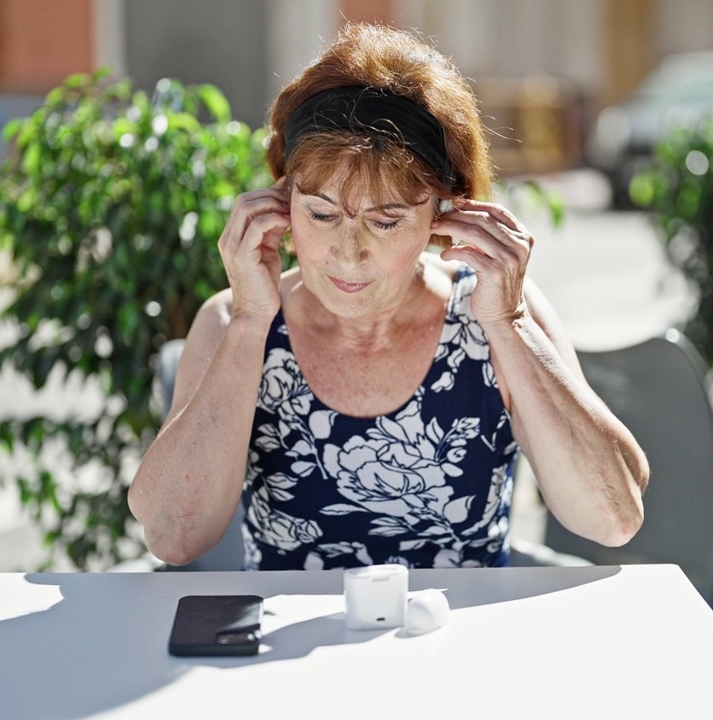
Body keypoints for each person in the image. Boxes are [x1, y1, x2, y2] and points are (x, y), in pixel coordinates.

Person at [128, 23, 648, 570]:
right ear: (282, 203)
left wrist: (510, 324)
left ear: (446, 215)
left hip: (462, 644)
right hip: (290, 649)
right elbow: (172, 536)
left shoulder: (496, 313)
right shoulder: (235, 319)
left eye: (386, 220)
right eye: (322, 214)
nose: (347, 254)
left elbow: (611, 517)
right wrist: (251, 321)